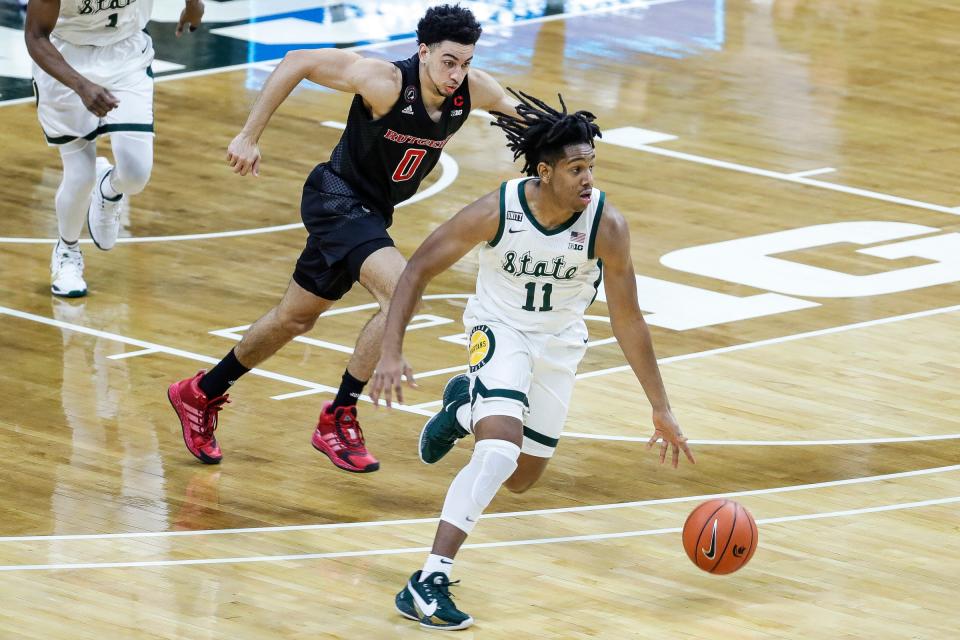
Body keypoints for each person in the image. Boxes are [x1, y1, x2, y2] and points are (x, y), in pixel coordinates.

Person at [369, 89, 696, 630]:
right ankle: (427, 580)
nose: (587, 178)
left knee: (521, 478)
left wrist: (660, 407)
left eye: (590, 165)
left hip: (559, 343)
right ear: (545, 172)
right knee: (498, 452)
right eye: (575, 168)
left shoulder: (606, 225)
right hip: (499, 330)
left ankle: (462, 410)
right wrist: (391, 348)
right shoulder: (499, 210)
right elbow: (419, 266)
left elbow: (628, 320)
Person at [167, 5, 519, 472]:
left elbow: (533, 123)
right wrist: (249, 135)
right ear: (423, 52)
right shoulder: (385, 81)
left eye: (466, 63)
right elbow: (297, 60)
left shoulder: (473, 90)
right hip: (336, 198)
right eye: (448, 61)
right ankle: (339, 415)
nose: (457, 74)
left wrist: (564, 147)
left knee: (294, 319)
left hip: (371, 214)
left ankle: (201, 392)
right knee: (402, 288)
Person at [25, 0, 205, 297]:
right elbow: (35, 36)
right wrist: (81, 85)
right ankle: (67, 254)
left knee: (136, 175)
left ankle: (108, 189)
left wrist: (194, 6)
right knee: (80, 175)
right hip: (66, 58)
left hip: (126, 54)